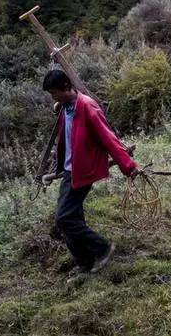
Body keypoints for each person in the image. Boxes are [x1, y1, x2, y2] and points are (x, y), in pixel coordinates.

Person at [42, 70, 139, 278]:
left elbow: (109, 138)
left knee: (64, 218)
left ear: (67, 87)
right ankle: (85, 262)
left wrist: (128, 166)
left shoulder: (87, 107)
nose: (53, 98)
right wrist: (59, 104)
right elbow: (64, 113)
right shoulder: (67, 106)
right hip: (69, 170)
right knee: (72, 217)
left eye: (54, 93)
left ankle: (102, 248)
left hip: (82, 171)